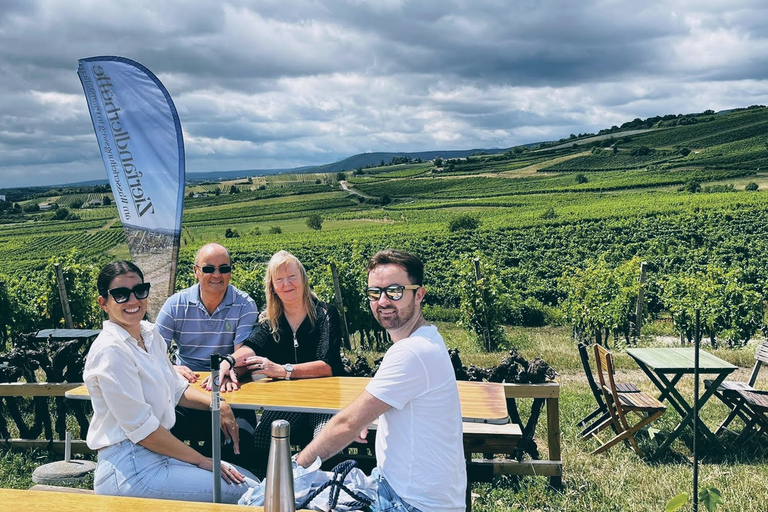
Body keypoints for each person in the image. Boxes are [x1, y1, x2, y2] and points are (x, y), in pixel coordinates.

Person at [295, 249, 467, 512]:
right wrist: (370, 418)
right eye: (375, 292)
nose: (383, 300)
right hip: (405, 491)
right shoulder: (427, 338)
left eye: (395, 291)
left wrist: (294, 469)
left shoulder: (412, 351)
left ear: (418, 294)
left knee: (291, 496)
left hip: (409, 504)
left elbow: (345, 424)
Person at [83, 261, 258, 502]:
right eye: (121, 294)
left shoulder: (149, 334)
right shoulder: (111, 350)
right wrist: (202, 460)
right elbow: (143, 431)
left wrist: (218, 404)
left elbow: (176, 389)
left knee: (250, 480)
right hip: (130, 467)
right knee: (248, 492)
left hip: (158, 455)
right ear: (104, 303)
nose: (133, 300)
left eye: (139, 291)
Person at [208, 250, 344, 477]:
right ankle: (268, 492)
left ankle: (322, 496)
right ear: (272, 286)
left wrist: (282, 370)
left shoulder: (324, 313)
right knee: (262, 437)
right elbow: (253, 346)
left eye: (291, 276)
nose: (286, 284)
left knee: (325, 440)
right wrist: (229, 361)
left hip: (324, 401)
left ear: (303, 278)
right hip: (288, 403)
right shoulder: (271, 319)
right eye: (279, 279)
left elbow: (328, 364)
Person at [155, 242, 258, 461]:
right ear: (195, 271)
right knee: (158, 434)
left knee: (244, 442)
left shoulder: (245, 305)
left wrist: (232, 371)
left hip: (229, 390)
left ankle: (233, 490)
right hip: (185, 392)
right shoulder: (175, 305)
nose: (217, 275)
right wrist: (172, 368)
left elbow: (243, 355)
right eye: (209, 269)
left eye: (224, 268)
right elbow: (152, 352)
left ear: (231, 271)